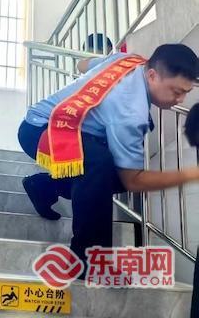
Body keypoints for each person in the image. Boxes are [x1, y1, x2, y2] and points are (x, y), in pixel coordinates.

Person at [18, 43, 199, 268]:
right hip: (39, 129)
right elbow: (133, 181)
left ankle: (45, 187)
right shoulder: (130, 113)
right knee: (101, 166)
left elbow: (82, 64)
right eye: (177, 92)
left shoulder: (129, 60)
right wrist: (191, 174)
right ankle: (88, 260)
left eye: (186, 92)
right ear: (152, 75)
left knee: (110, 173)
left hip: (71, 130)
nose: (181, 100)